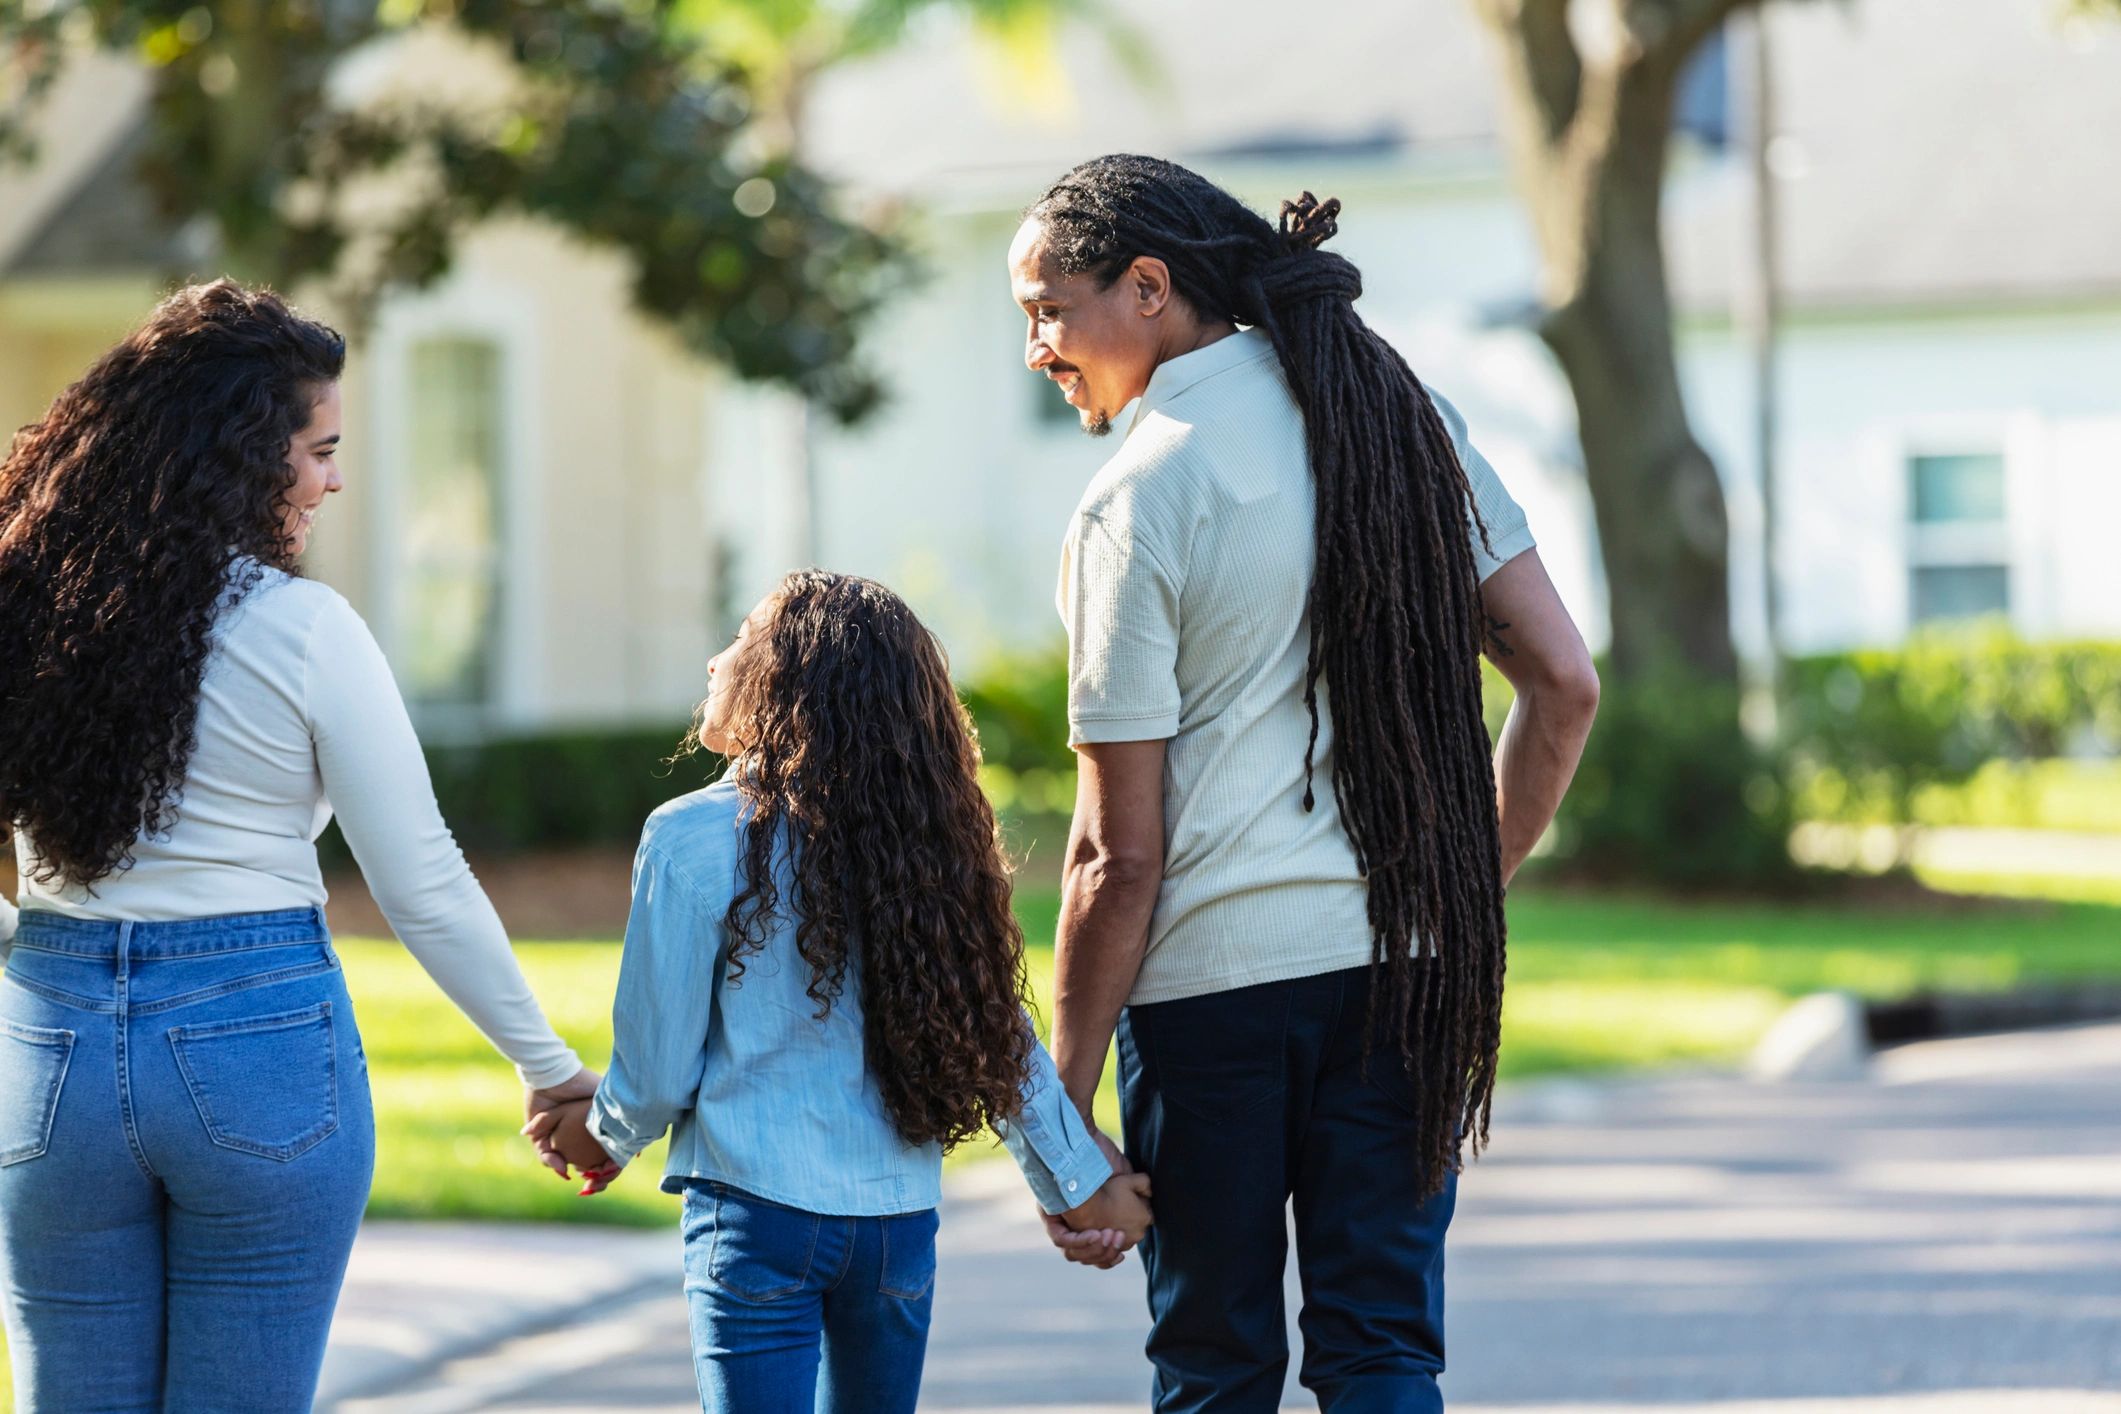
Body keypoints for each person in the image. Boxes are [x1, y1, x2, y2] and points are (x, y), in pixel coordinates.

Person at [1008, 155, 1602, 1411]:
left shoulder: (1139, 496)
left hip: (1212, 998)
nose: (1037, 349)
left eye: (1047, 308)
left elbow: (1118, 855)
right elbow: (1562, 679)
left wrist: (1060, 1107)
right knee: (1382, 1345)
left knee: (1217, 1366)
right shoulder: (1405, 421)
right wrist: (1458, 885)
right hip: (1407, 970)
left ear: (1150, 288)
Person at [0, 280, 599, 1411]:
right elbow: (420, 881)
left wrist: (23, 944)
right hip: (257, 1045)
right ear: (241, 452)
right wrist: (549, 1068)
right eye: (320, 448)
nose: (335, 478)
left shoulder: (23, 606)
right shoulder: (304, 630)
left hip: (52, 1051)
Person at [528, 569, 1154, 1414]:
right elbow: (996, 1039)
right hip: (894, 1232)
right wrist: (1078, 1189)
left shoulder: (688, 840)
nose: (715, 662)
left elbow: (658, 1073)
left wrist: (600, 1135)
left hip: (754, 1220)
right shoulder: (929, 848)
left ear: (782, 681)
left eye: (739, 641)